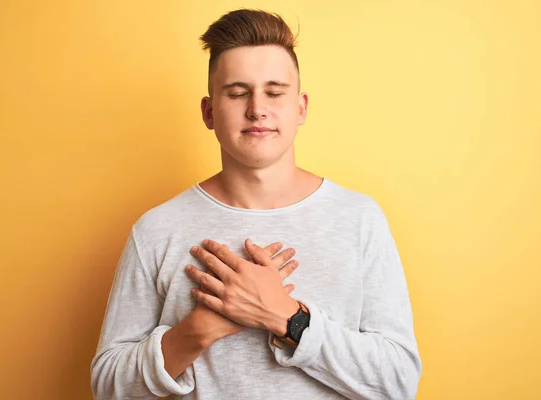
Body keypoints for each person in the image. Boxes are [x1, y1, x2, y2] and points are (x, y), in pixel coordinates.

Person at [91, 8, 422, 400]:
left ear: (300, 108)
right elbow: (107, 387)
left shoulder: (359, 219)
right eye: (237, 92)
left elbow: (398, 383)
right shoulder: (157, 230)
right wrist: (197, 330)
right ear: (209, 112)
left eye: (274, 92)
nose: (257, 108)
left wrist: (286, 317)